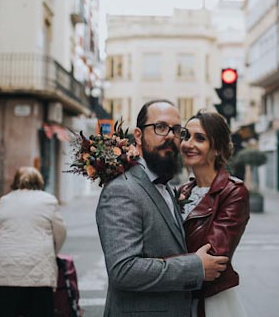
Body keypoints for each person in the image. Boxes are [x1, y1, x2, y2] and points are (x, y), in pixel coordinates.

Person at [96, 99, 229, 316]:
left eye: (177, 130)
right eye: (160, 127)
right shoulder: (122, 190)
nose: (170, 136)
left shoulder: (166, 187)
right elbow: (123, 271)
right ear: (138, 135)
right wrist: (195, 267)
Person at [176, 111, 250, 316]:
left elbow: (214, 258)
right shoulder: (181, 191)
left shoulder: (234, 192)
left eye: (199, 138)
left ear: (217, 148)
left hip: (211, 302)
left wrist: (158, 264)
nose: (188, 144)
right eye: (185, 135)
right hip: (177, 296)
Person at [0, 167, 66, 317]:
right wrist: (53, 253)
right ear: (39, 182)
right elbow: (60, 232)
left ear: (16, 182)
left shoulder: (5, 200)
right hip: (39, 270)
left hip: (6, 269)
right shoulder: (48, 200)